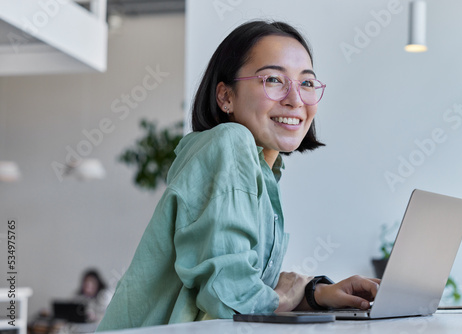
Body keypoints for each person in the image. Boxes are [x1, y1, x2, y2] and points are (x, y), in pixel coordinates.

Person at [97, 20, 380, 330]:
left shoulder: (264, 170)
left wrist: (316, 293)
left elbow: (244, 291)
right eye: (273, 79)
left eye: (307, 83)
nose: (295, 99)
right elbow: (230, 298)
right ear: (225, 97)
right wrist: (289, 293)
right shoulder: (229, 143)